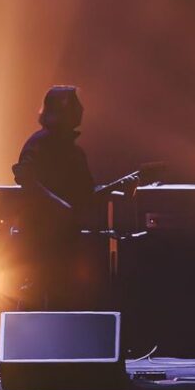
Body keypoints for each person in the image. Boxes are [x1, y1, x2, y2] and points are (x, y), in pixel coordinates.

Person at [11, 86, 136, 310]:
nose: (83, 110)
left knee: (62, 291)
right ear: (63, 109)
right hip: (40, 235)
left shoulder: (75, 152)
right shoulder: (40, 142)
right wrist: (58, 204)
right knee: (40, 290)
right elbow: (24, 176)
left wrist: (114, 189)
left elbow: (85, 194)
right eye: (76, 104)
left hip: (65, 236)